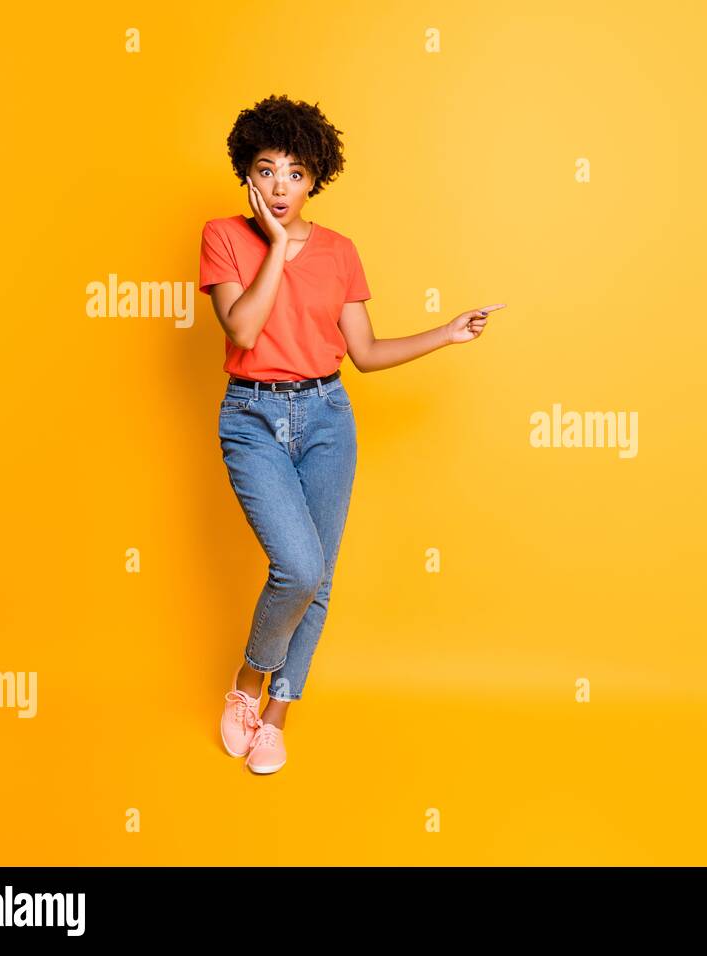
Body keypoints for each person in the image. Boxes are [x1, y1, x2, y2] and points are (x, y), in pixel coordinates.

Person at [198, 94, 506, 774]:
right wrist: (277, 246)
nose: (280, 187)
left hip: (327, 419)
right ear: (246, 174)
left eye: (296, 173)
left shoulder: (340, 252)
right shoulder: (224, 236)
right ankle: (247, 684)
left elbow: (363, 353)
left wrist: (448, 333)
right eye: (266, 169)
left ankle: (276, 716)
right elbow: (242, 329)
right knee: (297, 568)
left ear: (316, 179)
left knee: (320, 581)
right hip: (252, 417)